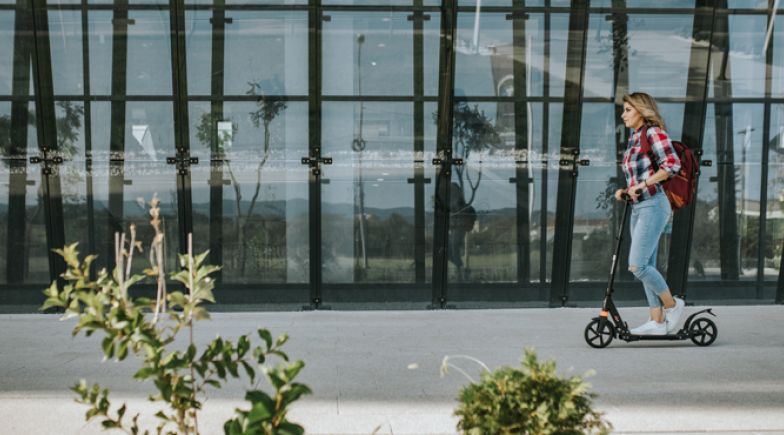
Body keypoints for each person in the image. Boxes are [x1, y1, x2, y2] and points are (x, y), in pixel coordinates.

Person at [615, 92, 685, 335]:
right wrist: (627, 190)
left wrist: (643, 186)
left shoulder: (653, 132)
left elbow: (672, 165)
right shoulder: (635, 137)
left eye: (627, 110)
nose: (623, 114)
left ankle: (672, 305)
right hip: (639, 206)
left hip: (654, 205)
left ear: (642, 111)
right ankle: (656, 320)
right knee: (648, 264)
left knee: (638, 265)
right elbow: (640, 175)